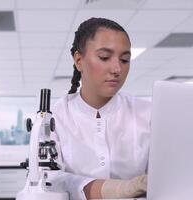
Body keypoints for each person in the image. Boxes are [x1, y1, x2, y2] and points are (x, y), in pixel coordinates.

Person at [51, 17, 151, 199]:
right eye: (105, 57)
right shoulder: (54, 118)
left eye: (125, 59)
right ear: (79, 60)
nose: (117, 69)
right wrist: (122, 188)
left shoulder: (148, 114)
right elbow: (50, 181)